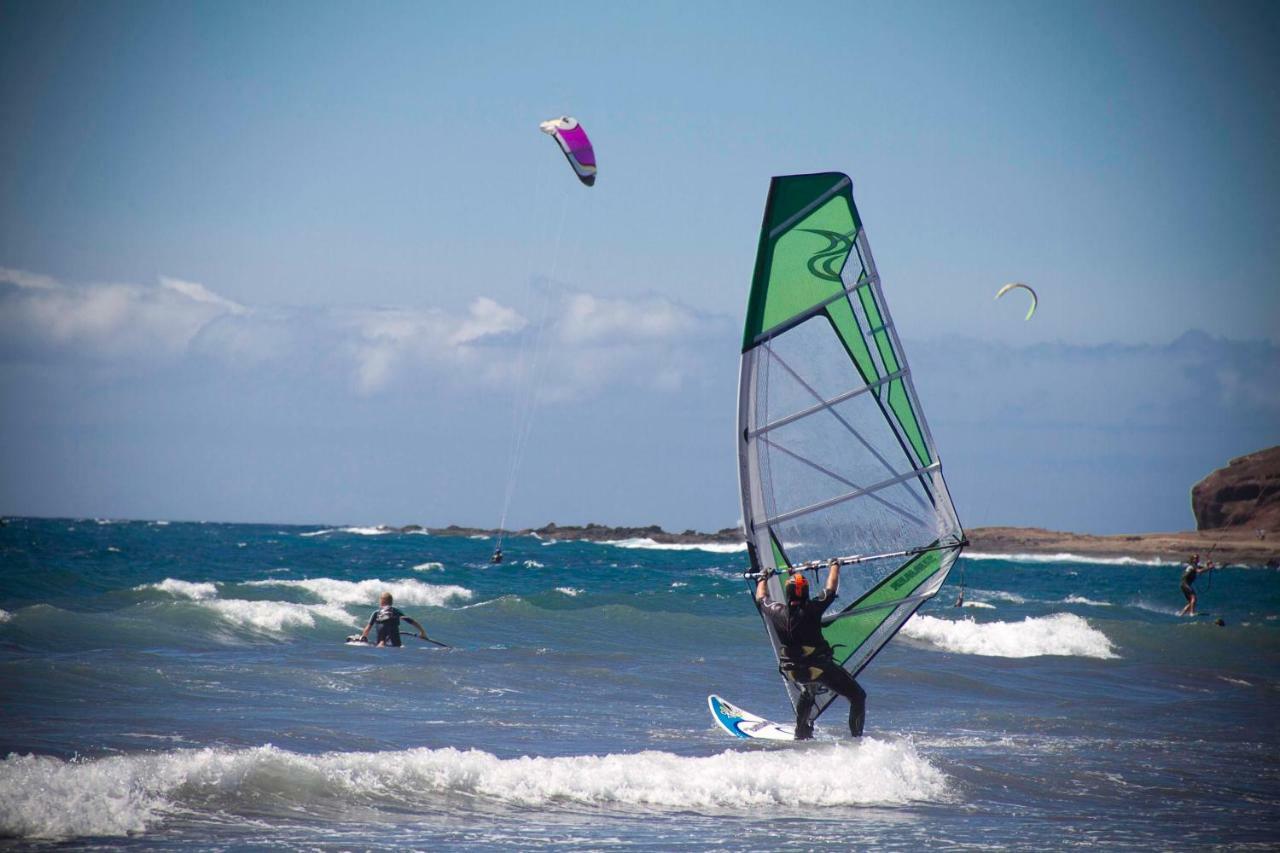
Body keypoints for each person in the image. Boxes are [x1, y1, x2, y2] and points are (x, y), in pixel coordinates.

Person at [756, 559, 866, 740]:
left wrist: (763, 578)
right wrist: (835, 566)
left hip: (793, 671)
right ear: (806, 593)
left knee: (808, 690)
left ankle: (801, 731)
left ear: (788, 594)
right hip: (818, 668)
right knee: (858, 696)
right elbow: (830, 590)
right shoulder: (812, 609)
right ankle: (856, 739)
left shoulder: (777, 611)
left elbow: (762, 598)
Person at [358, 592, 428, 647]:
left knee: (381, 642)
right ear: (391, 602)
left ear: (382, 601)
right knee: (397, 646)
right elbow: (409, 620)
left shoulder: (376, 612)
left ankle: (382, 643)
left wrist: (363, 637)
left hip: (381, 627)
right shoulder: (396, 611)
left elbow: (368, 627)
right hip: (393, 627)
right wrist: (422, 632)